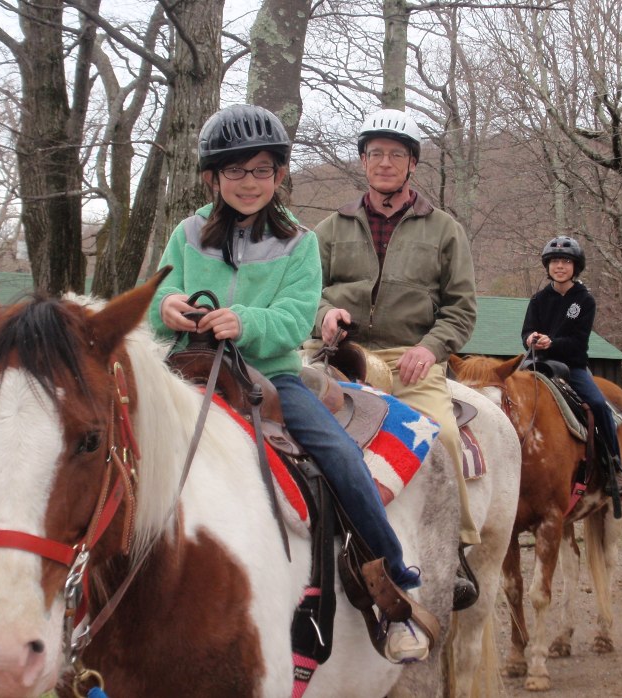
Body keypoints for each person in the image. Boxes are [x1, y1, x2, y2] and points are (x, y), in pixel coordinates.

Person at [149, 104, 430, 663]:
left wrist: (245, 322)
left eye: (261, 170)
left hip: (269, 375)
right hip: (186, 369)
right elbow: (156, 293)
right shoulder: (186, 234)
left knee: (340, 457)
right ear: (212, 177)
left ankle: (396, 589)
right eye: (235, 170)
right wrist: (168, 306)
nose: (248, 182)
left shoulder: (299, 242)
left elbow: (296, 318)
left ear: (279, 175)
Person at [314, 108, 480, 611]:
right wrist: (323, 315)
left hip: (411, 358)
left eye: (396, 154)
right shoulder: (330, 228)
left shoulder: (445, 229)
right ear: (363, 161)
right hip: (341, 354)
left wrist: (430, 348)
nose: (384, 162)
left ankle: (455, 551)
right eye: (375, 153)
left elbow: (461, 308)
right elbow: (305, 293)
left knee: (443, 434)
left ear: (412, 163)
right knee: (287, 425)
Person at [521, 235, 622, 494]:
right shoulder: (538, 299)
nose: (560, 266)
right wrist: (531, 339)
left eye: (566, 262)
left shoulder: (584, 300)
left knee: (598, 405)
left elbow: (578, 342)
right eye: (555, 261)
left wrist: (552, 343)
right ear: (548, 266)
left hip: (572, 368)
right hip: (538, 364)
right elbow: (526, 332)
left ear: (575, 267)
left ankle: (613, 465)